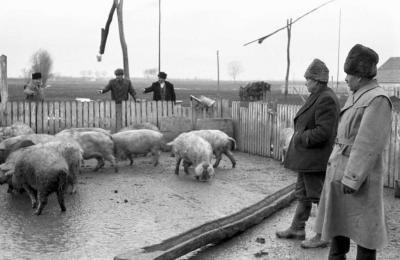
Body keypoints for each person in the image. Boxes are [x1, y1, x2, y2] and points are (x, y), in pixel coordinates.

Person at [314, 44, 391, 260]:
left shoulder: (377, 99)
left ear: (359, 75)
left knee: (365, 233)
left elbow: (368, 144)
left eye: (348, 74)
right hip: (339, 173)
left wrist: (352, 177)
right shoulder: (357, 95)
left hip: (358, 180)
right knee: (339, 227)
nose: (346, 79)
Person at [276, 59, 340, 249]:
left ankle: (323, 235)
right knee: (303, 194)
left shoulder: (326, 98)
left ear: (318, 80)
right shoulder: (318, 95)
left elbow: (324, 132)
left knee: (319, 196)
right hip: (307, 159)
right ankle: (297, 228)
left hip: (315, 159)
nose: (305, 82)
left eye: (308, 79)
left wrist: (300, 137)